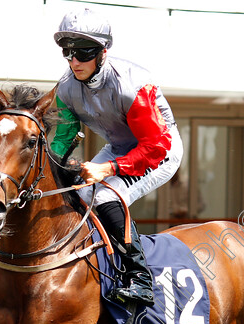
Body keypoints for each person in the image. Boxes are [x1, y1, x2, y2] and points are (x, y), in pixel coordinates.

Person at [50, 8, 183, 307]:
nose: (74, 61)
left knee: (106, 196)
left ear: (102, 52)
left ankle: (140, 279)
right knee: (79, 194)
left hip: (160, 150)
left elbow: (153, 146)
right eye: (68, 52)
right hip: (120, 146)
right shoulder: (67, 88)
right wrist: (52, 167)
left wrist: (108, 168)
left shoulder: (132, 85)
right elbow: (64, 136)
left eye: (83, 53)